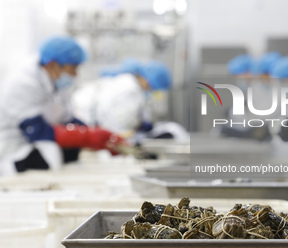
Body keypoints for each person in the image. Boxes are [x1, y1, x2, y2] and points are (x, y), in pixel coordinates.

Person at [0, 36, 126, 176]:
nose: (75, 74)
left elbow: (67, 119)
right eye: (73, 68)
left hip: (40, 149)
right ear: (53, 64)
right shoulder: (22, 83)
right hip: (16, 153)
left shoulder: (55, 82)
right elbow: (37, 131)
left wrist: (96, 134)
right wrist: (86, 137)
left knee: (71, 152)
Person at [72, 59, 173, 140]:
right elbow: (125, 120)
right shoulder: (130, 88)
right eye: (152, 86)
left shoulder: (129, 85)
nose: (150, 90)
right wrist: (141, 125)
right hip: (103, 130)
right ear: (146, 79)